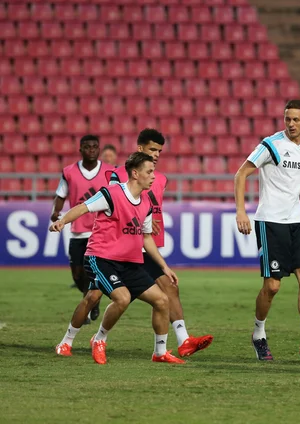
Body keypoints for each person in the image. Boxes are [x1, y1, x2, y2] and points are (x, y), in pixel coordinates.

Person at [55, 129, 213, 358]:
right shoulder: (114, 187)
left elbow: (146, 235)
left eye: (159, 152)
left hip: (131, 256)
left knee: (163, 296)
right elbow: (85, 206)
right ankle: (73, 341)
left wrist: (165, 265)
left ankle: (167, 348)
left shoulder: (147, 198)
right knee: (95, 297)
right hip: (104, 256)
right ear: (136, 172)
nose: (154, 170)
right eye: (152, 155)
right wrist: (62, 221)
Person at [234, 99, 300, 361]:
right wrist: (241, 211)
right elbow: (241, 174)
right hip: (270, 221)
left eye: (296, 119)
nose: (291, 124)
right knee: (272, 287)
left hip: (295, 221)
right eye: (287, 119)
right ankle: (258, 334)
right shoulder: (271, 144)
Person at [51, 134, 113, 319]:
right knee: (77, 274)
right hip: (78, 230)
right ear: (81, 150)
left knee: (95, 271)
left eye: (95, 146)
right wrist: (56, 212)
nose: (91, 150)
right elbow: (61, 195)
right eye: (87, 147)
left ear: (99, 149)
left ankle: (92, 302)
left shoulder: (110, 171)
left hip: (100, 230)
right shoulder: (69, 171)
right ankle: (88, 296)